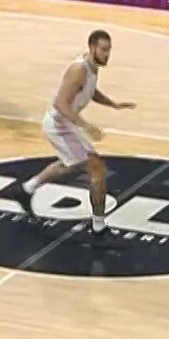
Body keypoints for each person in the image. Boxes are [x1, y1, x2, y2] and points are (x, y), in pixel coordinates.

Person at [17, 30, 135, 239]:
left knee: (69, 164)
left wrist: (113, 104)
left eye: (109, 50)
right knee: (97, 167)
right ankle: (99, 228)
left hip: (66, 123)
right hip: (59, 124)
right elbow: (61, 104)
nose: (107, 54)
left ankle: (26, 189)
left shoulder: (92, 67)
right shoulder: (79, 69)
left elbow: (90, 90)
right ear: (92, 47)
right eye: (103, 49)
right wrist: (86, 126)